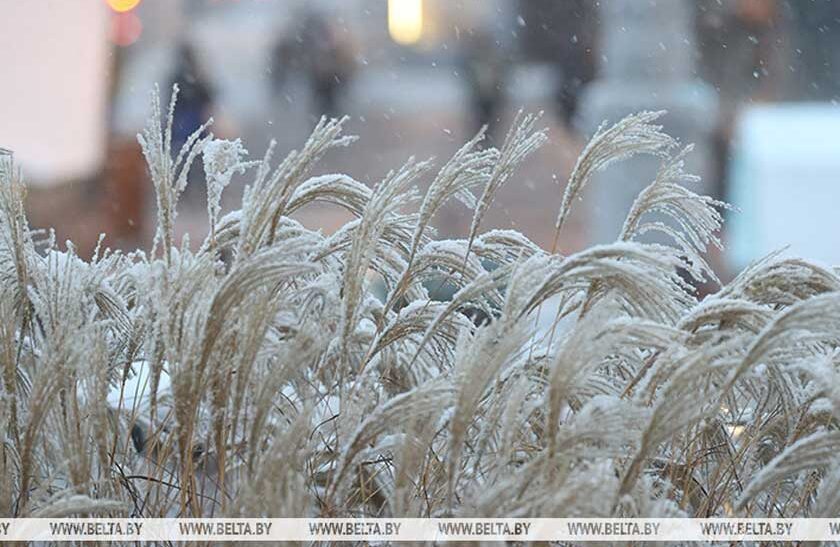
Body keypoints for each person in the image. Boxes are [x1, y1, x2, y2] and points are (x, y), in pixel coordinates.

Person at [271, 10, 356, 119]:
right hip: (321, 86)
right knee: (323, 111)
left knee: (328, 110)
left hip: (328, 86)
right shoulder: (316, 45)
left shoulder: (334, 48)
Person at [460, 30, 509, 142]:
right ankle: (483, 139)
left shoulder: (492, 57)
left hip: (490, 96)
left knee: (490, 120)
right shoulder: (477, 57)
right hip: (483, 96)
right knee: (481, 119)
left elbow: (501, 74)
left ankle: (486, 138)